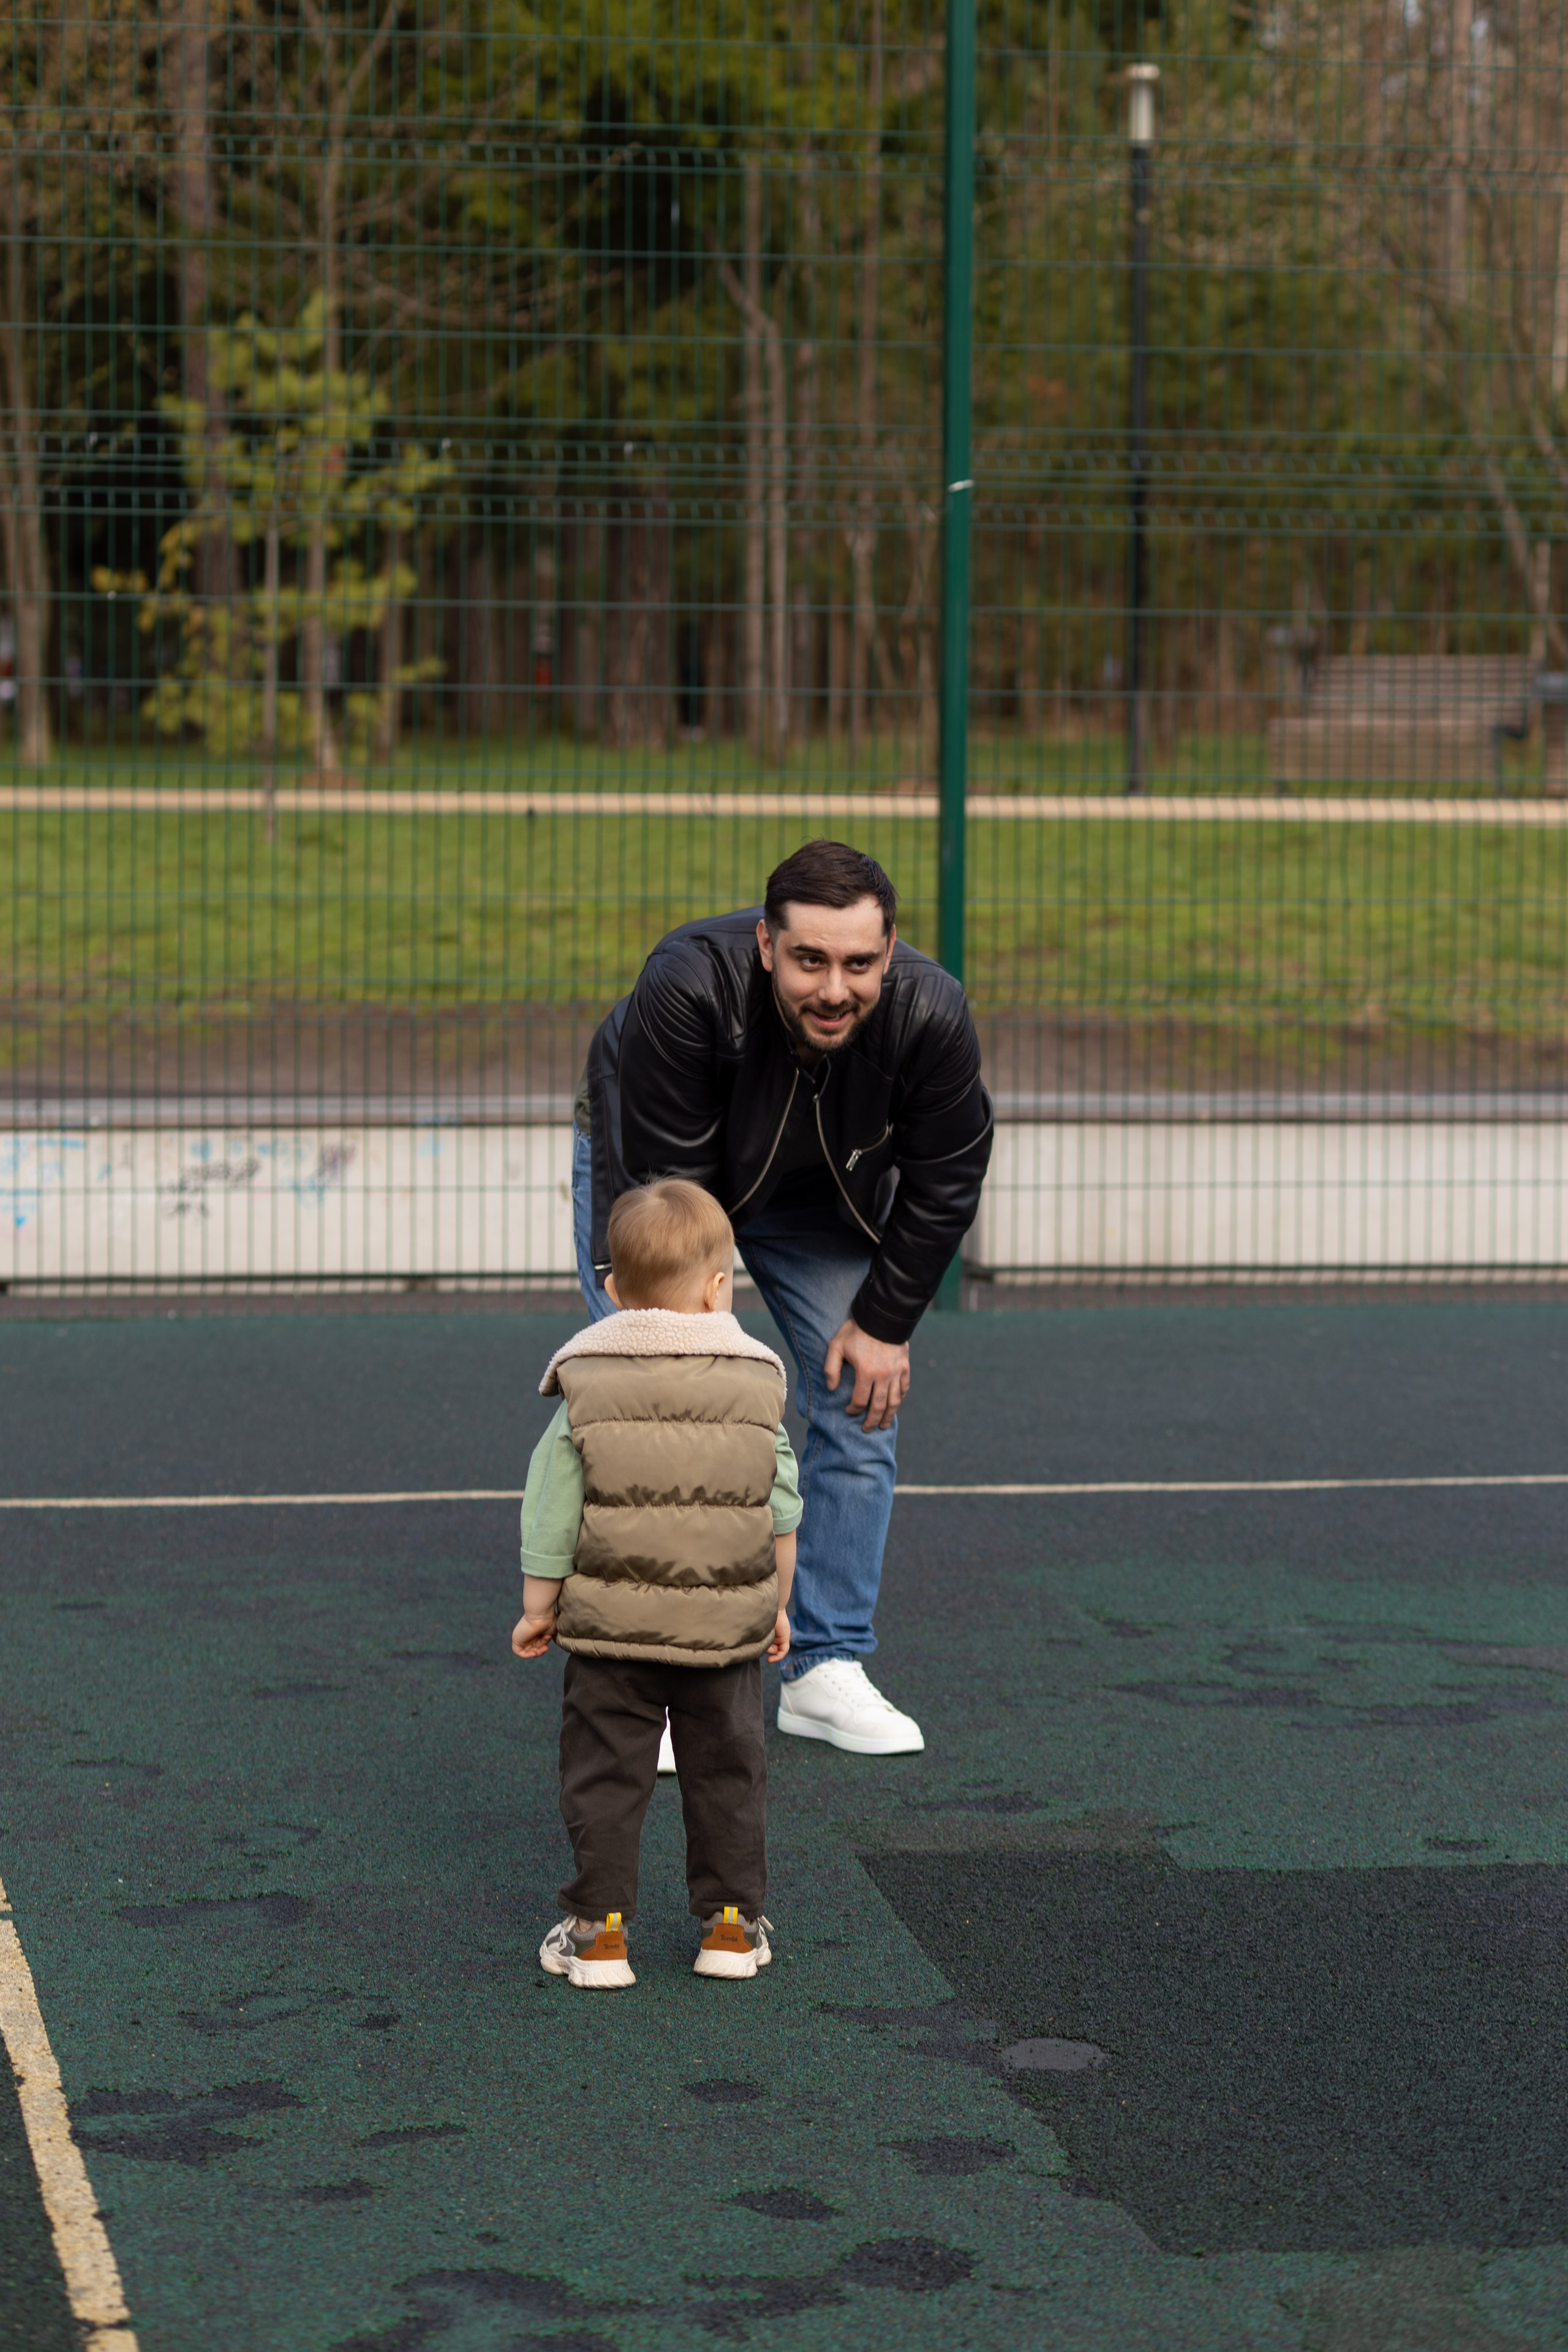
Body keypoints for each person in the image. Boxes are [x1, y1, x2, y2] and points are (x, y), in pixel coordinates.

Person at [573, 839, 993, 1757]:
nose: (834, 988)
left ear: (891, 953)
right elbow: (671, 1196)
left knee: (861, 1394)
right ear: (766, 945)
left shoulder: (931, 1008)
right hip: (672, 1179)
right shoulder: (687, 986)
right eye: (809, 960)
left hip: (820, 1193)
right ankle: (663, 1680)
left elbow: (949, 1175)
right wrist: (694, 1353)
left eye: (858, 963)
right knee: (667, 1408)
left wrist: (884, 1325)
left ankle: (824, 1666)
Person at [512, 1178, 803, 1989]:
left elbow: (550, 1507)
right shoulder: (758, 1386)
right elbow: (780, 1506)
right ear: (719, 1289)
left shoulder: (586, 1382)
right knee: (729, 1769)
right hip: (724, 1633)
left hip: (609, 1632)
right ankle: (733, 1928)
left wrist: (542, 1607)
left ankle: (601, 1934)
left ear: (612, 1290)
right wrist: (777, 1602)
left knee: (607, 1772)